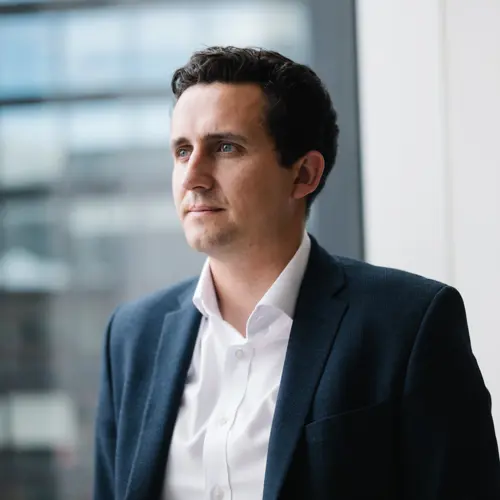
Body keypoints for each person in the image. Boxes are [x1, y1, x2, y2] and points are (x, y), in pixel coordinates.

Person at [93, 46, 500, 500]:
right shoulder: (132, 335)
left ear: (304, 174)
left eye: (226, 147)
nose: (192, 177)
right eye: (183, 150)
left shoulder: (407, 324)